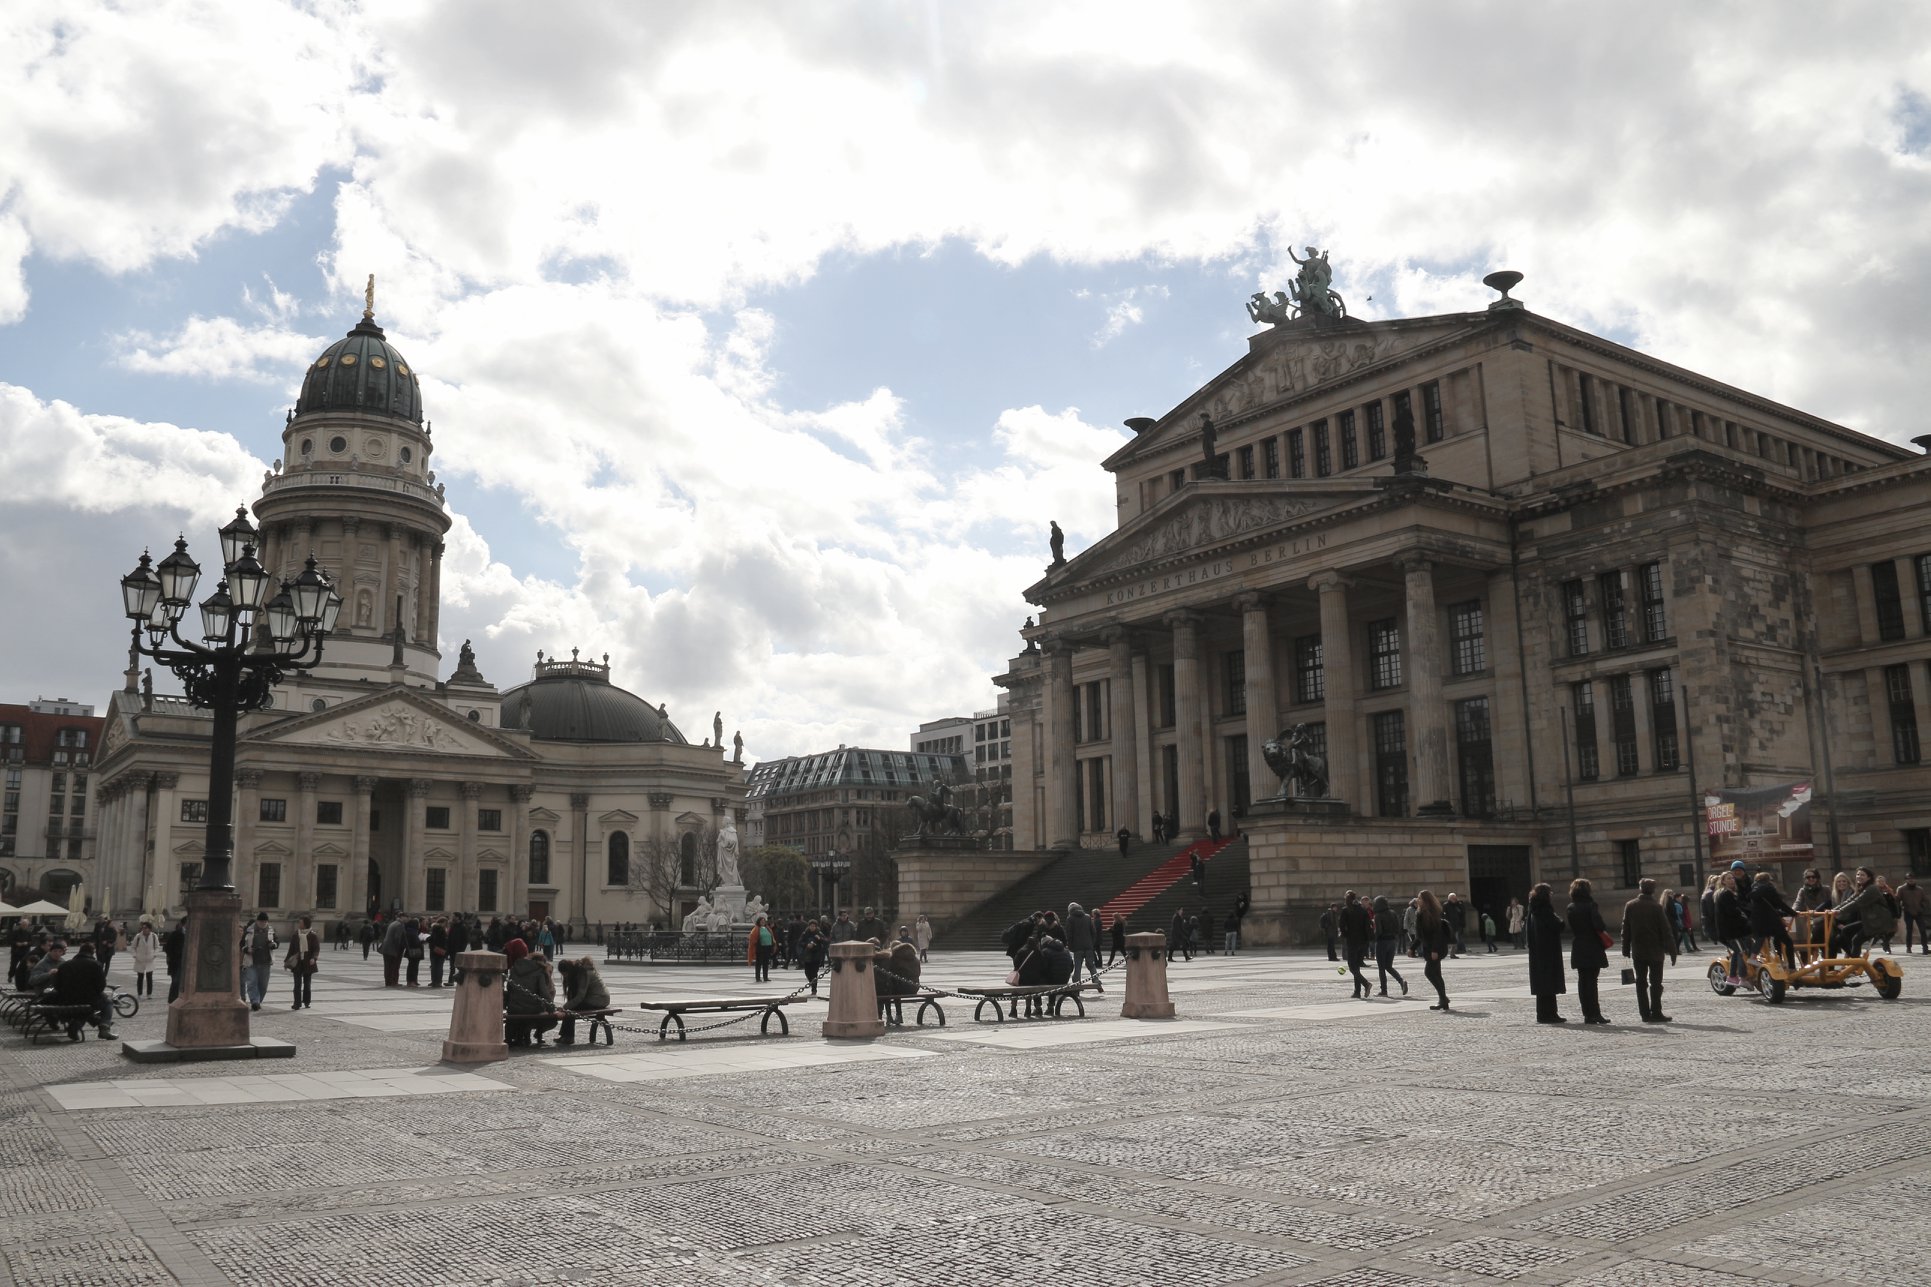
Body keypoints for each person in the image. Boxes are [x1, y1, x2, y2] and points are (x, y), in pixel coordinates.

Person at [1621, 878, 1678, 1022]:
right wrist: (1673, 951)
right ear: (1653, 890)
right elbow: (1666, 931)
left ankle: (1644, 1014)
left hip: (1638, 951)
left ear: (1640, 888)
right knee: (1656, 983)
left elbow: (1625, 930)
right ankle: (1656, 1011)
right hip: (1655, 951)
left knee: (1641, 982)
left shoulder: (1630, 905)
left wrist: (1625, 949)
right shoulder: (1656, 907)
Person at [1564, 878, 1611, 1024]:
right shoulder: (1591, 905)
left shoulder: (1571, 907)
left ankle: (1587, 1014)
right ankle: (1595, 1013)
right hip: (1592, 946)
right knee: (1592, 981)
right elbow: (1599, 925)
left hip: (1579, 945)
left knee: (1583, 981)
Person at [53, 942, 114, 1041]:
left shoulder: (65, 965)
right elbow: (101, 985)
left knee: (84, 1009)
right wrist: (96, 993)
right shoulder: (96, 965)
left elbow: (57, 985)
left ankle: (75, 1027)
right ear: (92, 952)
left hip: (67, 999)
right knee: (108, 1003)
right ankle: (104, 1026)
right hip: (90, 998)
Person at [1525, 883, 1568, 1023]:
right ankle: (1550, 1013)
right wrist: (1560, 920)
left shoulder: (1532, 910)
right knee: (1549, 984)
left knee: (1542, 986)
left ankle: (1543, 1014)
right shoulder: (1545, 910)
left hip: (1537, 952)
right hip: (1548, 951)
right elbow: (1558, 925)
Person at [1830, 867, 1896, 957]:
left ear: (1868, 878)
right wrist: (1834, 910)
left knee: (1856, 940)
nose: (1859, 876)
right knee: (1845, 931)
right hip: (1869, 921)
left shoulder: (1871, 889)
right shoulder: (1861, 888)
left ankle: (1855, 961)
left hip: (1878, 922)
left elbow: (1857, 902)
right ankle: (1854, 958)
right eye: (1858, 874)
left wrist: (1840, 911)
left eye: (1862, 875)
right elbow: (1850, 900)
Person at [502, 939, 557, 1047]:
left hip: (514, 1008)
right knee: (547, 1016)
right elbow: (544, 993)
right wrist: (552, 1008)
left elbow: (510, 988)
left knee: (517, 1011)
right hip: (532, 1009)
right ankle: (528, 1037)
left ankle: (514, 1038)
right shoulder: (539, 970)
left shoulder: (514, 968)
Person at [1714, 866, 1755, 988]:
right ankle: (1738, 977)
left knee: (1739, 951)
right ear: (1723, 881)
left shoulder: (1730, 893)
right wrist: (1745, 919)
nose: (1732, 880)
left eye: (1732, 878)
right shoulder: (1725, 894)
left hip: (1734, 929)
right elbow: (1732, 912)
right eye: (1728, 878)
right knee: (1740, 952)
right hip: (1731, 931)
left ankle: (1736, 976)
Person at [1748, 872, 1799, 969]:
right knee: (1788, 942)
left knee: (1765, 941)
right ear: (1768, 880)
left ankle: (1756, 958)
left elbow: (1764, 907)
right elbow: (1780, 904)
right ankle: (1791, 967)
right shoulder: (1769, 889)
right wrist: (1793, 913)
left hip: (1757, 922)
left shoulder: (1753, 891)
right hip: (1772, 921)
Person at [555, 956, 610, 1045]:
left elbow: (580, 996)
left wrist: (565, 1007)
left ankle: (569, 1037)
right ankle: (565, 1035)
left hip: (599, 999)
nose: (564, 976)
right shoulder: (579, 971)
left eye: (565, 974)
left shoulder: (583, 973)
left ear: (568, 970)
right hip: (598, 998)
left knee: (570, 1010)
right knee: (570, 1009)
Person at [1415, 890, 1452, 1011]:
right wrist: (1412, 948)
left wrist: (1434, 950)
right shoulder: (1420, 913)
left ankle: (1443, 998)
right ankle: (1443, 1002)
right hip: (1431, 948)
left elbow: (1437, 933)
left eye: (1420, 898)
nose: (1417, 900)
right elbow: (1420, 935)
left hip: (1436, 948)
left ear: (1425, 901)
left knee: (1429, 973)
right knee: (1436, 974)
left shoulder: (1432, 913)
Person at [1339, 890, 1374, 1000]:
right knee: (1357, 967)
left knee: (1352, 966)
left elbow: (1341, 926)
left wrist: (1345, 935)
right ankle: (1357, 991)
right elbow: (1368, 926)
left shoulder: (1346, 910)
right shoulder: (1362, 910)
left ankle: (1366, 984)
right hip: (1362, 943)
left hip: (1352, 942)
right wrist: (1367, 941)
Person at [1371, 895, 1408, 997]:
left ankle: (1384, 990)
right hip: (1392, 942)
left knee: (1381, 968)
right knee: (1388, 966)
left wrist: (1373, 937)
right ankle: (1401, 981)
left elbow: (1379, 931)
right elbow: (1398, 928)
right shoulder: (1393, 913)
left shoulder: (1378, 916)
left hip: (1382, 942)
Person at [241, 912, 277, 1011]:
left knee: (263, 985)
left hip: (266, 962)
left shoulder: (271, 930)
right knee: (252, 982)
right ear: (257, 921)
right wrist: (247, 949)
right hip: (251, 961)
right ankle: (255, 1002)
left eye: (265, 922)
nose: (263, 923)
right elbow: (242, 944)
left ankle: (258, 1001)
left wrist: (273, 945)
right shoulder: (249, 930)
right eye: (261, 922)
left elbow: (276, 942)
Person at [286, 915, 319, 1010]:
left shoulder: (312, 936)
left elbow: (316, 949)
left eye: (301, 923)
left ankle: (307, 1001)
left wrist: (314, 958)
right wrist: (287, 961)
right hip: (297, 963)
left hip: (308, 962)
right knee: (297, 984)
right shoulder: (295, 935)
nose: (299, 924)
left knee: (307, 984)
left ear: (305, 924)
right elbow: (291, 949)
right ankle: (297, 1003)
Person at [1064, 902, 1097, 985]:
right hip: (1088, 946)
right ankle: (1096, 980)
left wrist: (1071, 946)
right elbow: (1093, 932)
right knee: (1091, 965)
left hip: (1077, 947)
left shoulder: (1070, 919)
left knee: (1078, 967)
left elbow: (1069, 934)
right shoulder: (1088, 917)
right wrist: (1091, 943)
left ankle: (1077, 983)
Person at [128, 920, 160, 997]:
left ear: (149, 929)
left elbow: (157, 947)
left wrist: (155, 955)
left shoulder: (154, 936)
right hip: (140, 959)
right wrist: (135, 955)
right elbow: (133, 947)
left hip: (150, 959)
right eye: (143, 928)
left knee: (149, 977)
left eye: (145, 928)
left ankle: (149, 993)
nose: (144, 929)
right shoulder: (138, 936)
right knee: (140, 977)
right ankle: (140, 993)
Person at [798, 919, 829, 996]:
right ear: (809, 926)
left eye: (814, 926)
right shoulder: (805, 933)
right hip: (807, 956)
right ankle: (812, 983)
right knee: (807, 972)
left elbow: (826, 941)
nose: (812, 927)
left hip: (816, 956)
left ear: (816, 927)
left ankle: (814, 989)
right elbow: (800, 942)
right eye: (811, 926)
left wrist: (820, 939)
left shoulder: (819, 933)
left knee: (814, 973)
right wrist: (806, 945)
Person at [1898, 877, 1927, 955]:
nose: (1911, 880)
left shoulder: (1919, 889)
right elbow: (1898, 899)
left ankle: (1925, 947)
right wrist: (1901, 908)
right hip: (1908, 912)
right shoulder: (1902, 889)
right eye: (1909, 879)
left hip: (1918, 912)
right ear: (1906, 880)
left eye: (1912, 879)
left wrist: (1922, 907)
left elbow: (1924, 899)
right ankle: (1908, 947)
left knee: (1922, 930)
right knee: (1909, 930)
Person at [379, 915, 407, 987]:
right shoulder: (399, 925)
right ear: (402, 917)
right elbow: (397, 938)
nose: (407, 919)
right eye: (406, 917)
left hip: (386, 948)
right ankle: (393, 982)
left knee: (387, 966)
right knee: (394, 966)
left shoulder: (393, 923)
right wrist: (399, 949)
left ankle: (388, 982)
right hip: (393, 949)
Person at [747, 914, 776, 983]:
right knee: (759, 963)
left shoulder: (767, 928)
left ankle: (765, 977)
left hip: (767, 947)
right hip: (760, 948)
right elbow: (752, 938)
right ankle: (758, 977)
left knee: (766, 963)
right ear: (759, 922)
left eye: (764, 921)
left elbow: (772, 936)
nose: (763, 922)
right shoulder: (756, 929)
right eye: (762, 921)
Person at [163, 921, 186, 1002]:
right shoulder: (176, 934)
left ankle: (180, 998)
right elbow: (167, 948)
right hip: (176, 962)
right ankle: (173, 999)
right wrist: (174, 956)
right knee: (176, 981)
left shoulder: (191, 933)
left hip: (184, 963)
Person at [1443, 893, 1468, 958]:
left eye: (1455, 898)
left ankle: (1453, 953)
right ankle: (1450, 953)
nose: (1454, 899)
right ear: (1449, 899)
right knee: (1451, 940)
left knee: (1455, 940)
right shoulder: (1446, 905)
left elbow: (1462, 912)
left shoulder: (1457, 905)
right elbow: (1443, 915)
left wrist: (1459, 904)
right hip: (1449, 925)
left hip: (1457, 925)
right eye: (1453, 898)